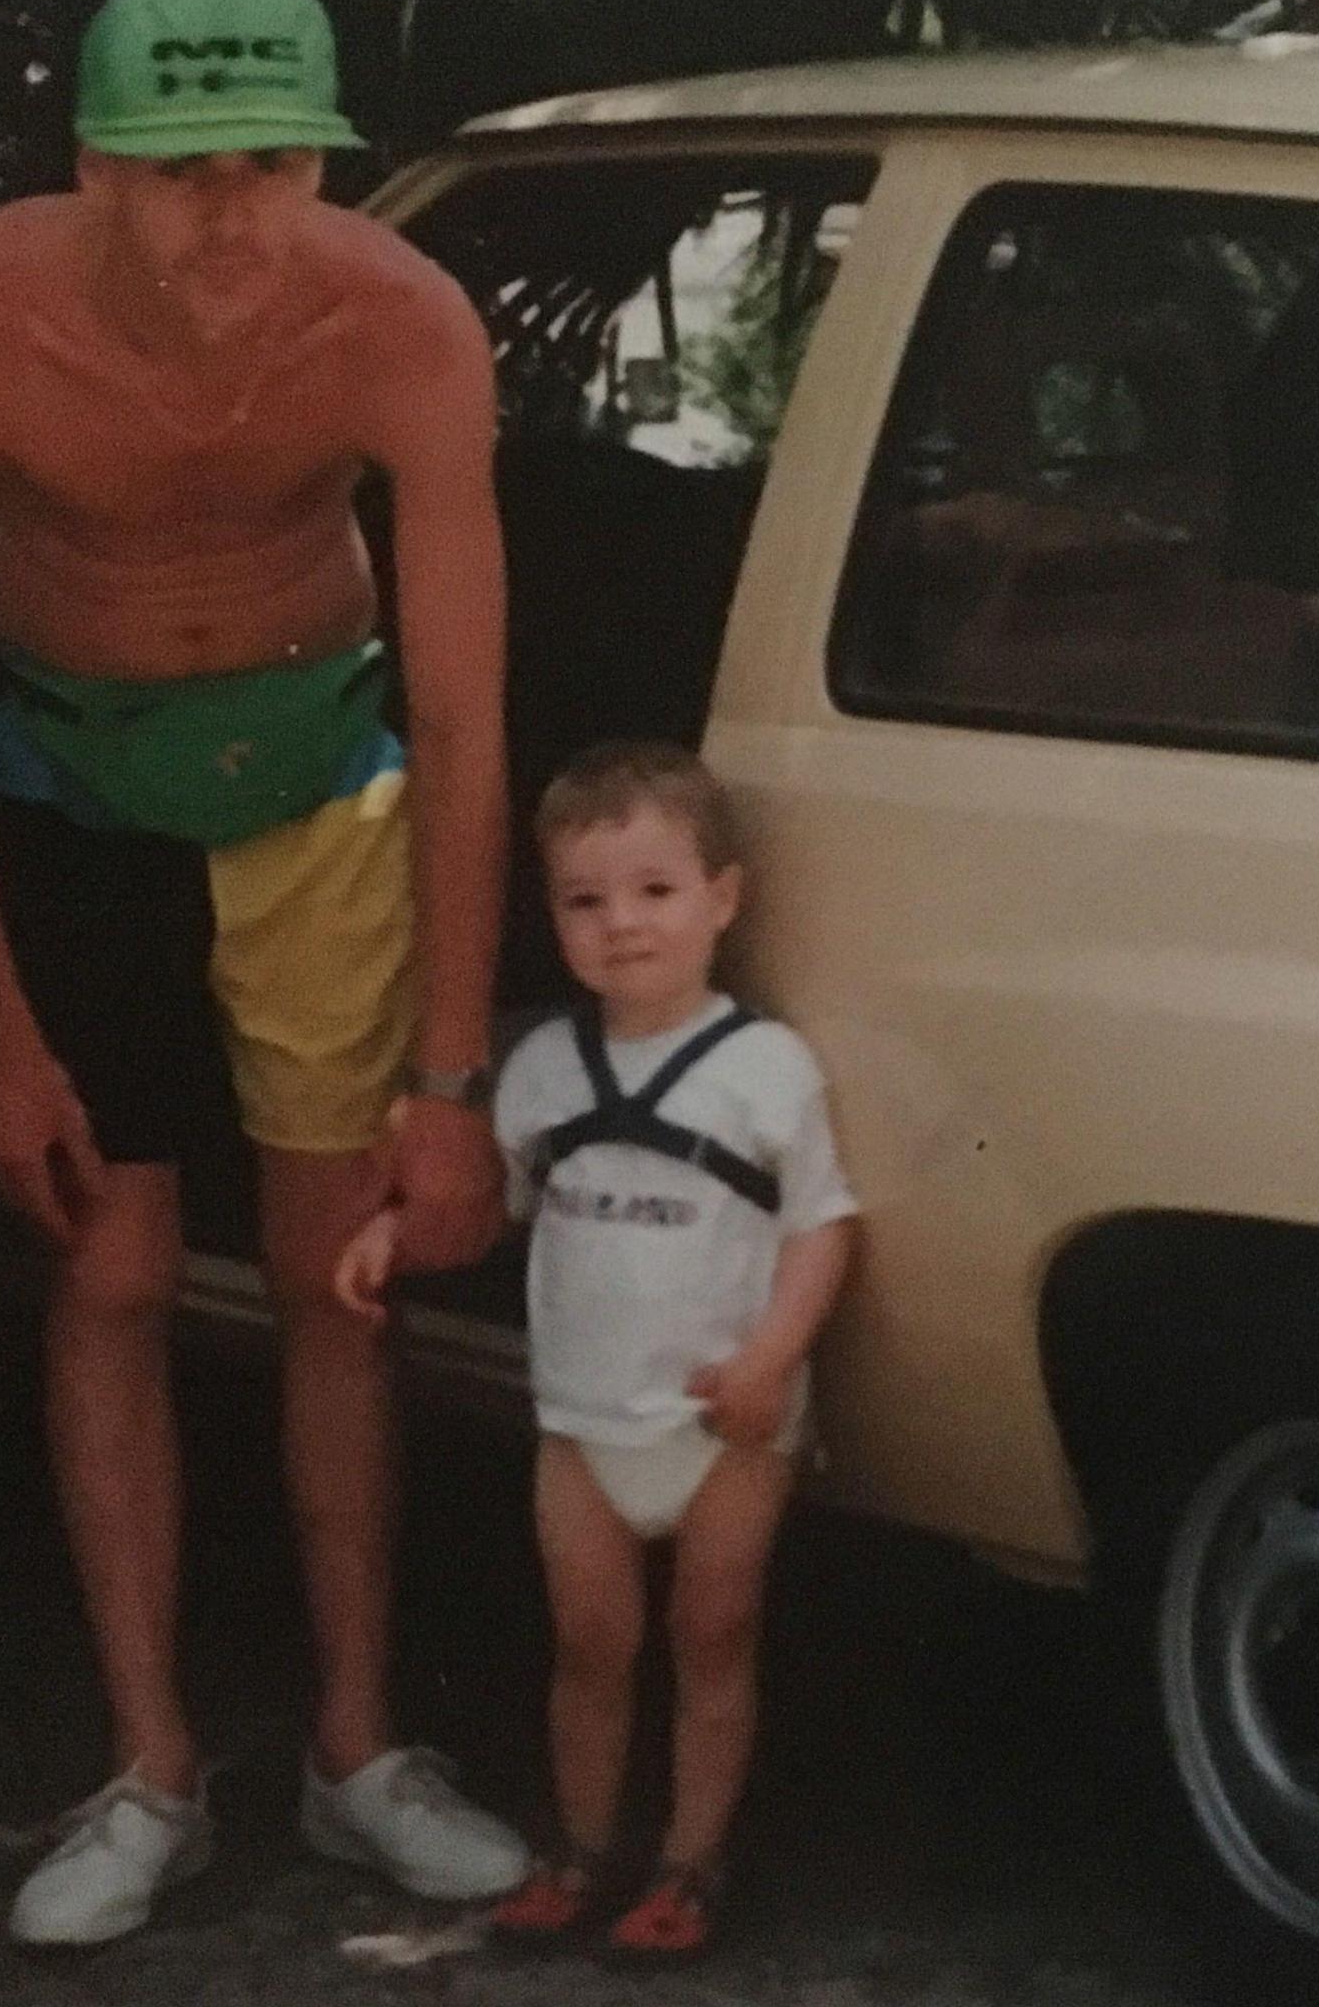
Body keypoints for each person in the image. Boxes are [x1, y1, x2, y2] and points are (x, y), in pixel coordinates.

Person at [0, 0, 528, 1946]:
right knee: (119, 1266)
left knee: (344, 1277)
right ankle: (150, 1768)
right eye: (181, 169)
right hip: (65, 791)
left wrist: (455, 1081)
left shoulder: (401, 323)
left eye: (273, 162)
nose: (235, 214)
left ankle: (356, 1756)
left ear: (325, 160)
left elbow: (472, 713)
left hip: (319, 790)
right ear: (93, 167)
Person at [335, 741, 858, 1960]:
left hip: (727, 1419)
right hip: (580, 1420)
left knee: (713, 1639)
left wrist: (772, 1360)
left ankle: (690, 1863)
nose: (622, 924)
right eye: (586, 899)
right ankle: (580, 1847)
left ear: (722, 899)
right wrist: (395, 1231)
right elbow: (491, 1203)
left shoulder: (762, 1070)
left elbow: (823, 1228)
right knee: (590, 1643)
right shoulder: (542, 1071)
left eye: (656, 892)